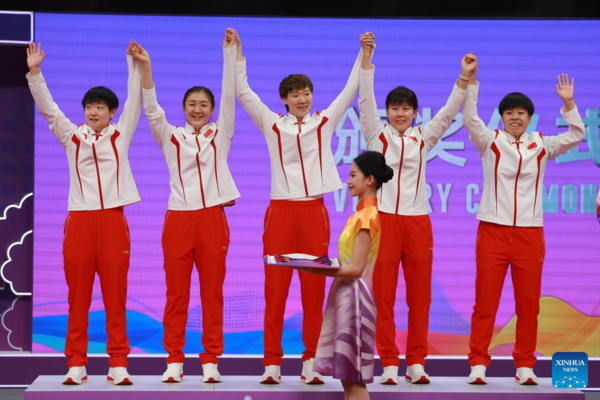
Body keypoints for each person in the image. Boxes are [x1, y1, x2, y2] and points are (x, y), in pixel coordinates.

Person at [234, 30, 372, 384]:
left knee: (313, 293)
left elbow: (349, 90)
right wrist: (237, 52)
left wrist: (364, 54)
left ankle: (311, 360)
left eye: (306, 93)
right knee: (275, 292)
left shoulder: (324, 122)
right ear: (284, 99)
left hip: (314, 213)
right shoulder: (272, 125)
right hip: (280, 213)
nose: (302, 99)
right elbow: (244, 93)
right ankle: (272, 363)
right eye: (295, 95)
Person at [357, 33, 474, 384]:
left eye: (406, 109)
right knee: (384, 296)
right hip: (384, 223)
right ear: (387, 112)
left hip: (418, 223)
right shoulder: (376, 137)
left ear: (415, 113)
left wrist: (464, 77)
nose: (400, 113)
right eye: (395, 108)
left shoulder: (426, 137)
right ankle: (389, 362)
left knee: (420, 297)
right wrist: (366, 59)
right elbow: (365, 102)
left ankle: (417, 362)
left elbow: (450, 110)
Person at [462, 54, 585, 385]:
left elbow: (577, 134)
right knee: (485, 302)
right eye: (509, 113)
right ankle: (477, 362)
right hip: (492, 231)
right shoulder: (490, 142)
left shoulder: (542, 144)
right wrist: (472, 82)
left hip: (531, 235)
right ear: (501, 118)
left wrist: (569, 103)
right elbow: (470, 119)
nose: (515, 118)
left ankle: (525, 364)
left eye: (520, 113)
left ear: (530, 117)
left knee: (528, 304)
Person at [26, 40, 143, 385]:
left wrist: (133, 64)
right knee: (78, 297)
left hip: (112, 223)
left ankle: (118, 362)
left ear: (111, 112)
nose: (93, 112)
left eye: (100, 107)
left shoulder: (121, 135)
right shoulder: (72, 137)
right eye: (89, 107)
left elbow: (135, 101)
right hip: (79, 221)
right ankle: (76, 362)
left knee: (115, 296)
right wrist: (35, 72)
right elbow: (49, 109)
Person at [134, 29, 239, 383]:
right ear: (183, 109)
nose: (198, 109)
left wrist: (230, 53)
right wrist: (145, 67)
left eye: (203, 105)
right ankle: (174, 360)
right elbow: (150, 106)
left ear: (211, 111)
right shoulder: (170, 135)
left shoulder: (220, 133)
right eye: (192, 104)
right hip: (178, 219)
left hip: (213, 219)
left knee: (212, 294)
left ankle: (210, 360)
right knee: (177, 294)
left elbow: (229, 96)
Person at [299, 150, 392, 400]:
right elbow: (348, 262)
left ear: (369, 179)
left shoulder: (367, 218)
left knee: (354, 382)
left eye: (353, 175)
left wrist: (315, 269)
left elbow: (356, 268)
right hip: (347, 298)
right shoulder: (359, 215)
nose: (348, 181)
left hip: (356, 301)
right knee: (347, 380)